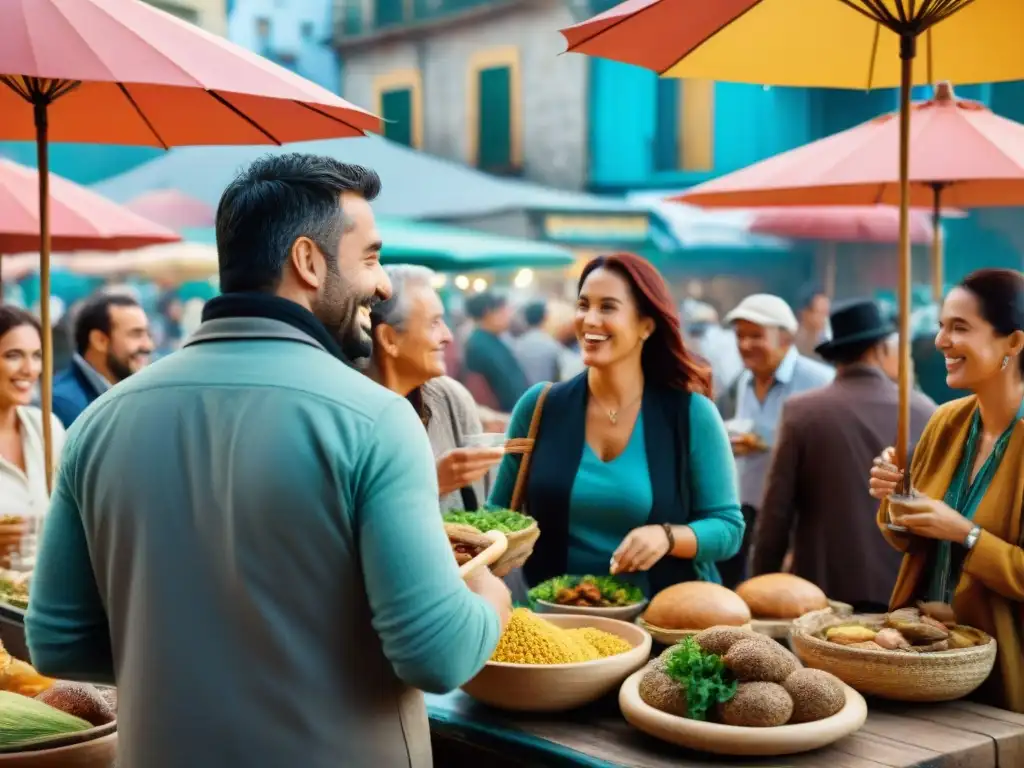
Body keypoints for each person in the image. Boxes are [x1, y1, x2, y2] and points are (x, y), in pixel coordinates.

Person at [26, 153, 511, 768]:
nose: (383, 284)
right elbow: (437, 656)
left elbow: (57, 642)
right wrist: (491, 595)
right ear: (308, 261)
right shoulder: (376, 419)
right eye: (370, 258)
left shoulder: (100, 420)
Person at [489, 253, 744, 597]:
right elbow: (497, 516)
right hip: (554, 625)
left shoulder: (690, 414)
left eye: (607, 307)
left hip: (662, 628)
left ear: (646, 325)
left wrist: (667, 537)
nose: (589, 319)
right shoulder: (539, 407)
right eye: (583, 305)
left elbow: (728, 529)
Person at [869, 268, 1024, 713]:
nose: (940, 341)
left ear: (1013, 343)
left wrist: (966, 534)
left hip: (1002, 673)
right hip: (921, 660)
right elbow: (906, 535)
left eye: (959, 328)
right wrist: (895, 496)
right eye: (940, 326)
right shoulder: (946, 420)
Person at [751, 299, 935, 611]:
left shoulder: (802, 412)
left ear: (836, 355)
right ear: (881, 349)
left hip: (820, 596)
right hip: (904, 594)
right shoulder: (924, 411)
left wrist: (763, 585)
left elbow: (776, 514)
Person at [718, 293, 834, 588]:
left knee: (783, 594)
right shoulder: (745, 380)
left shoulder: (819, 379)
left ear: (785, 339)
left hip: (794, 513)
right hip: (747, 502)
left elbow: (827, 448)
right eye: (740, 336)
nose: (745, 345)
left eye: (756, 336)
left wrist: (765, 442)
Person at [367, 264, 504, 513]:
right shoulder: (348, 414)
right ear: (389, 339)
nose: (448, 336)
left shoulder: (451, 398)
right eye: (434, 323)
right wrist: (432, 484)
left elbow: (481, 515)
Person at [0, 306, 66, 565]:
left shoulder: (46, 428)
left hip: (42, 598)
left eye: (37, 356)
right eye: (13, 355)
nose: (30, 369)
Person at [51, 293, 153, 427]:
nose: (149, 345)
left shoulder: (127, 392)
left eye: (148, 334)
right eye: (136, 334)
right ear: (100, 340)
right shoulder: (65, 404)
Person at [462, 291, 529, 412]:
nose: (508, 316)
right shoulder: (481, 345)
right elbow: (508, 387)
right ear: (489, 313)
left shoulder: (487, 340)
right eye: (503, 311)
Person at [514, 300, 563, 386]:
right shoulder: (552, 345)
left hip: (522, 396)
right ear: (545, 317)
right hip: (546, 394)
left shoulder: (516, 345)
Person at [794, 285, 831, 362]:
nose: (825, 319)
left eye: (827, 313)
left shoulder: (829, 343)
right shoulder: (791, 344)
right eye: (821, 313)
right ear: (804, 314)